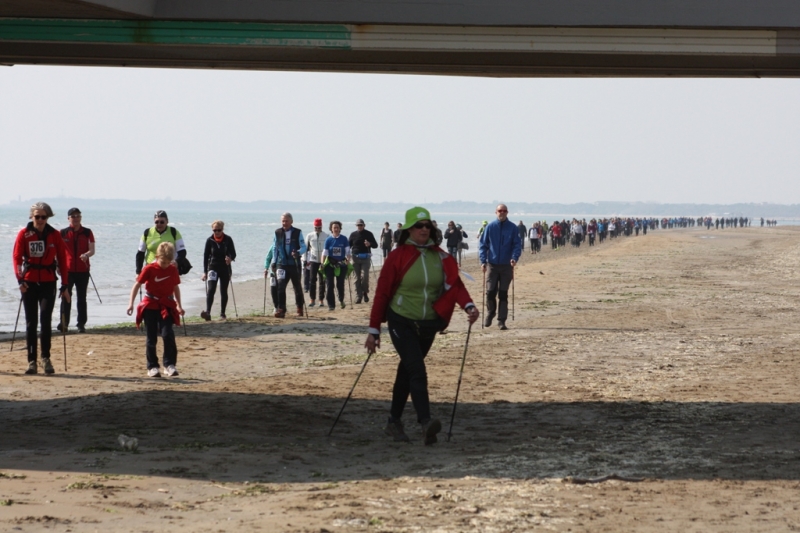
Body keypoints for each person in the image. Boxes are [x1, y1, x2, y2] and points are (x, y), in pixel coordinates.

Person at [366, 206, 479, 445]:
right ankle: (425, 422)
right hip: (401, 320)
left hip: (428, 324)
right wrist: (374, 329)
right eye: (419, 226)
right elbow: (382, 293)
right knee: (417, 369)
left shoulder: (440, 256)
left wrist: (468, 306)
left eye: (428, 225)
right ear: (409, 229)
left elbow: (455, 285)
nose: (424, 229)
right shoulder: (398, 256)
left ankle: (393, 422)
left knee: (407, 371)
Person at [12, 202, 70, 375]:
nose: (40, 220)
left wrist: (65, 284)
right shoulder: (24, 234)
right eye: (37, 217)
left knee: (45, 320)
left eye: (43, 217)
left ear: (48, 217)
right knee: (31, 323)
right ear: (32, 217)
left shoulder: (54, 235)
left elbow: (63, 259)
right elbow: (16, 258)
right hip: (29, 282)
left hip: (48, 282)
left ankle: (45, 358)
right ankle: (31, 361)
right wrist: (20, 279)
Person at [127, 242, 184, 378]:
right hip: (150, 305)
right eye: (163, 262)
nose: (165, 265)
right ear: (157, 256)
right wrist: (131, 304)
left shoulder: (172, 269)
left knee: (167, 334)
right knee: (151, 338)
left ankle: (169, 365)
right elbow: (137, 285)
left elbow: (176, 287)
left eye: (168, 262)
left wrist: (179, 305)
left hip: (167, 305)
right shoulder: (149, 269)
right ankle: (152, 366)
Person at [479, 204, 521, 330]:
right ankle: (491, 312)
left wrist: (514, 258)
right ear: (495, 212)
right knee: (490, 292)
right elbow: (483, 245)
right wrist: (482, 261)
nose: (501, 213)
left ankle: (502, 320)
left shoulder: (513, 228)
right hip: (492, 265)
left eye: (504, 211)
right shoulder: (490, 227)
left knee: (503, 293)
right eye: (499, 211)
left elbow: (517, 245)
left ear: (507, 212)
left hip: (506, 266)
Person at [58, 207, 95, 333]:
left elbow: (92, 250)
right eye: (73, 216)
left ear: (81, 217)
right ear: (68, 218)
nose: (75, 218)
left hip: (83, 270)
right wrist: (57, 266)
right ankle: (64, 323)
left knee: (81, 298)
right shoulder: (62, 233)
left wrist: (86, 255)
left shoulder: (87, 232)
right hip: (67, 271)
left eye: (77, 216)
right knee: (66, 297)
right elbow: (57, 252)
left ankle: (81, 324)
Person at [269, 213, 307, 318]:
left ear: (291, 221)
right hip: (282, 264)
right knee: (280, 286)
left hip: (294, 264)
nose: (284, 223)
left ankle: (299, 307)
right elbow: (275, 248)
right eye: (283, 221)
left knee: (297, 287)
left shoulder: (298, 232)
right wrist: (273, 261)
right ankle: (281, 309)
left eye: (286, 221)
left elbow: (304, 247)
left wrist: (298, 252)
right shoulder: (277, 232)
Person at [200, 220, 237, 321]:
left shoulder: (228, 239)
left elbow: (233, 254)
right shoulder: (210, 240)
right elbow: (205, 256)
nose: (216, 232)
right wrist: (205, 272)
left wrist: (230, 258)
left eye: (218, 230)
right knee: (211, 289)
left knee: (223, 291)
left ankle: (223, 313)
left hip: (225, 268)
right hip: (213, 267)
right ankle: (208, 312)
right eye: (214, 230)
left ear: (222, 229)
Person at [135, 210, 189, 276]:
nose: (159, 224)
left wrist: (176, 262)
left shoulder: (174, 232)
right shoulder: (147, 232)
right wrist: (138, 271)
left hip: (169, 268)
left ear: (167, 221)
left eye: (162, 222)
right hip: (151, 268)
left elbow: (182, 252)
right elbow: (140, 253)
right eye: (156, 222)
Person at [322, 220, 351, 310]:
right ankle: (331, 305)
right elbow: (324, 253)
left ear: (340, 229)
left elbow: (348, 252)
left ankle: (341, 299)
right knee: (330, 285)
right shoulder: (328, 240)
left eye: (337, 227)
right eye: (334, 227)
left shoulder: (344, 239)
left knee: (340, 285)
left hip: (341, 264)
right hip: (330, 264)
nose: (336, 229)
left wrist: (348, 260)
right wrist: (322, 264)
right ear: (331, 229)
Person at [348, 219, 378, 304]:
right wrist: (347, 256)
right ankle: (358, 295)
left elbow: (376, 245)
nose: (360, 226)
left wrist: (370, 244)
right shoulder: (353, 234)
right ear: (356, 226)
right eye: (358, 225)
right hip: (355, 258)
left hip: (366, 257)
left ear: (364, 225)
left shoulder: (369, 234)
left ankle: (365, 292)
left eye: (361, 225)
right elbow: (348, 246)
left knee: (365, 277)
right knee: (356, 278)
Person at [304, 218, 328, 308]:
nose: (317, 229)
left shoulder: (326, 235)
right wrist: (305, 260)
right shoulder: (309, 236)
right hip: (313, 261)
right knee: (312, 280)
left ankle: (321, 300)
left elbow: (328, 249)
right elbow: (305, 249)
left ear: (321, 226)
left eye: (319, 227)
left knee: (322, 281)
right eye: (316, 227)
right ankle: (312, 299)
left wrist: (327, 261)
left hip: (322, 261)